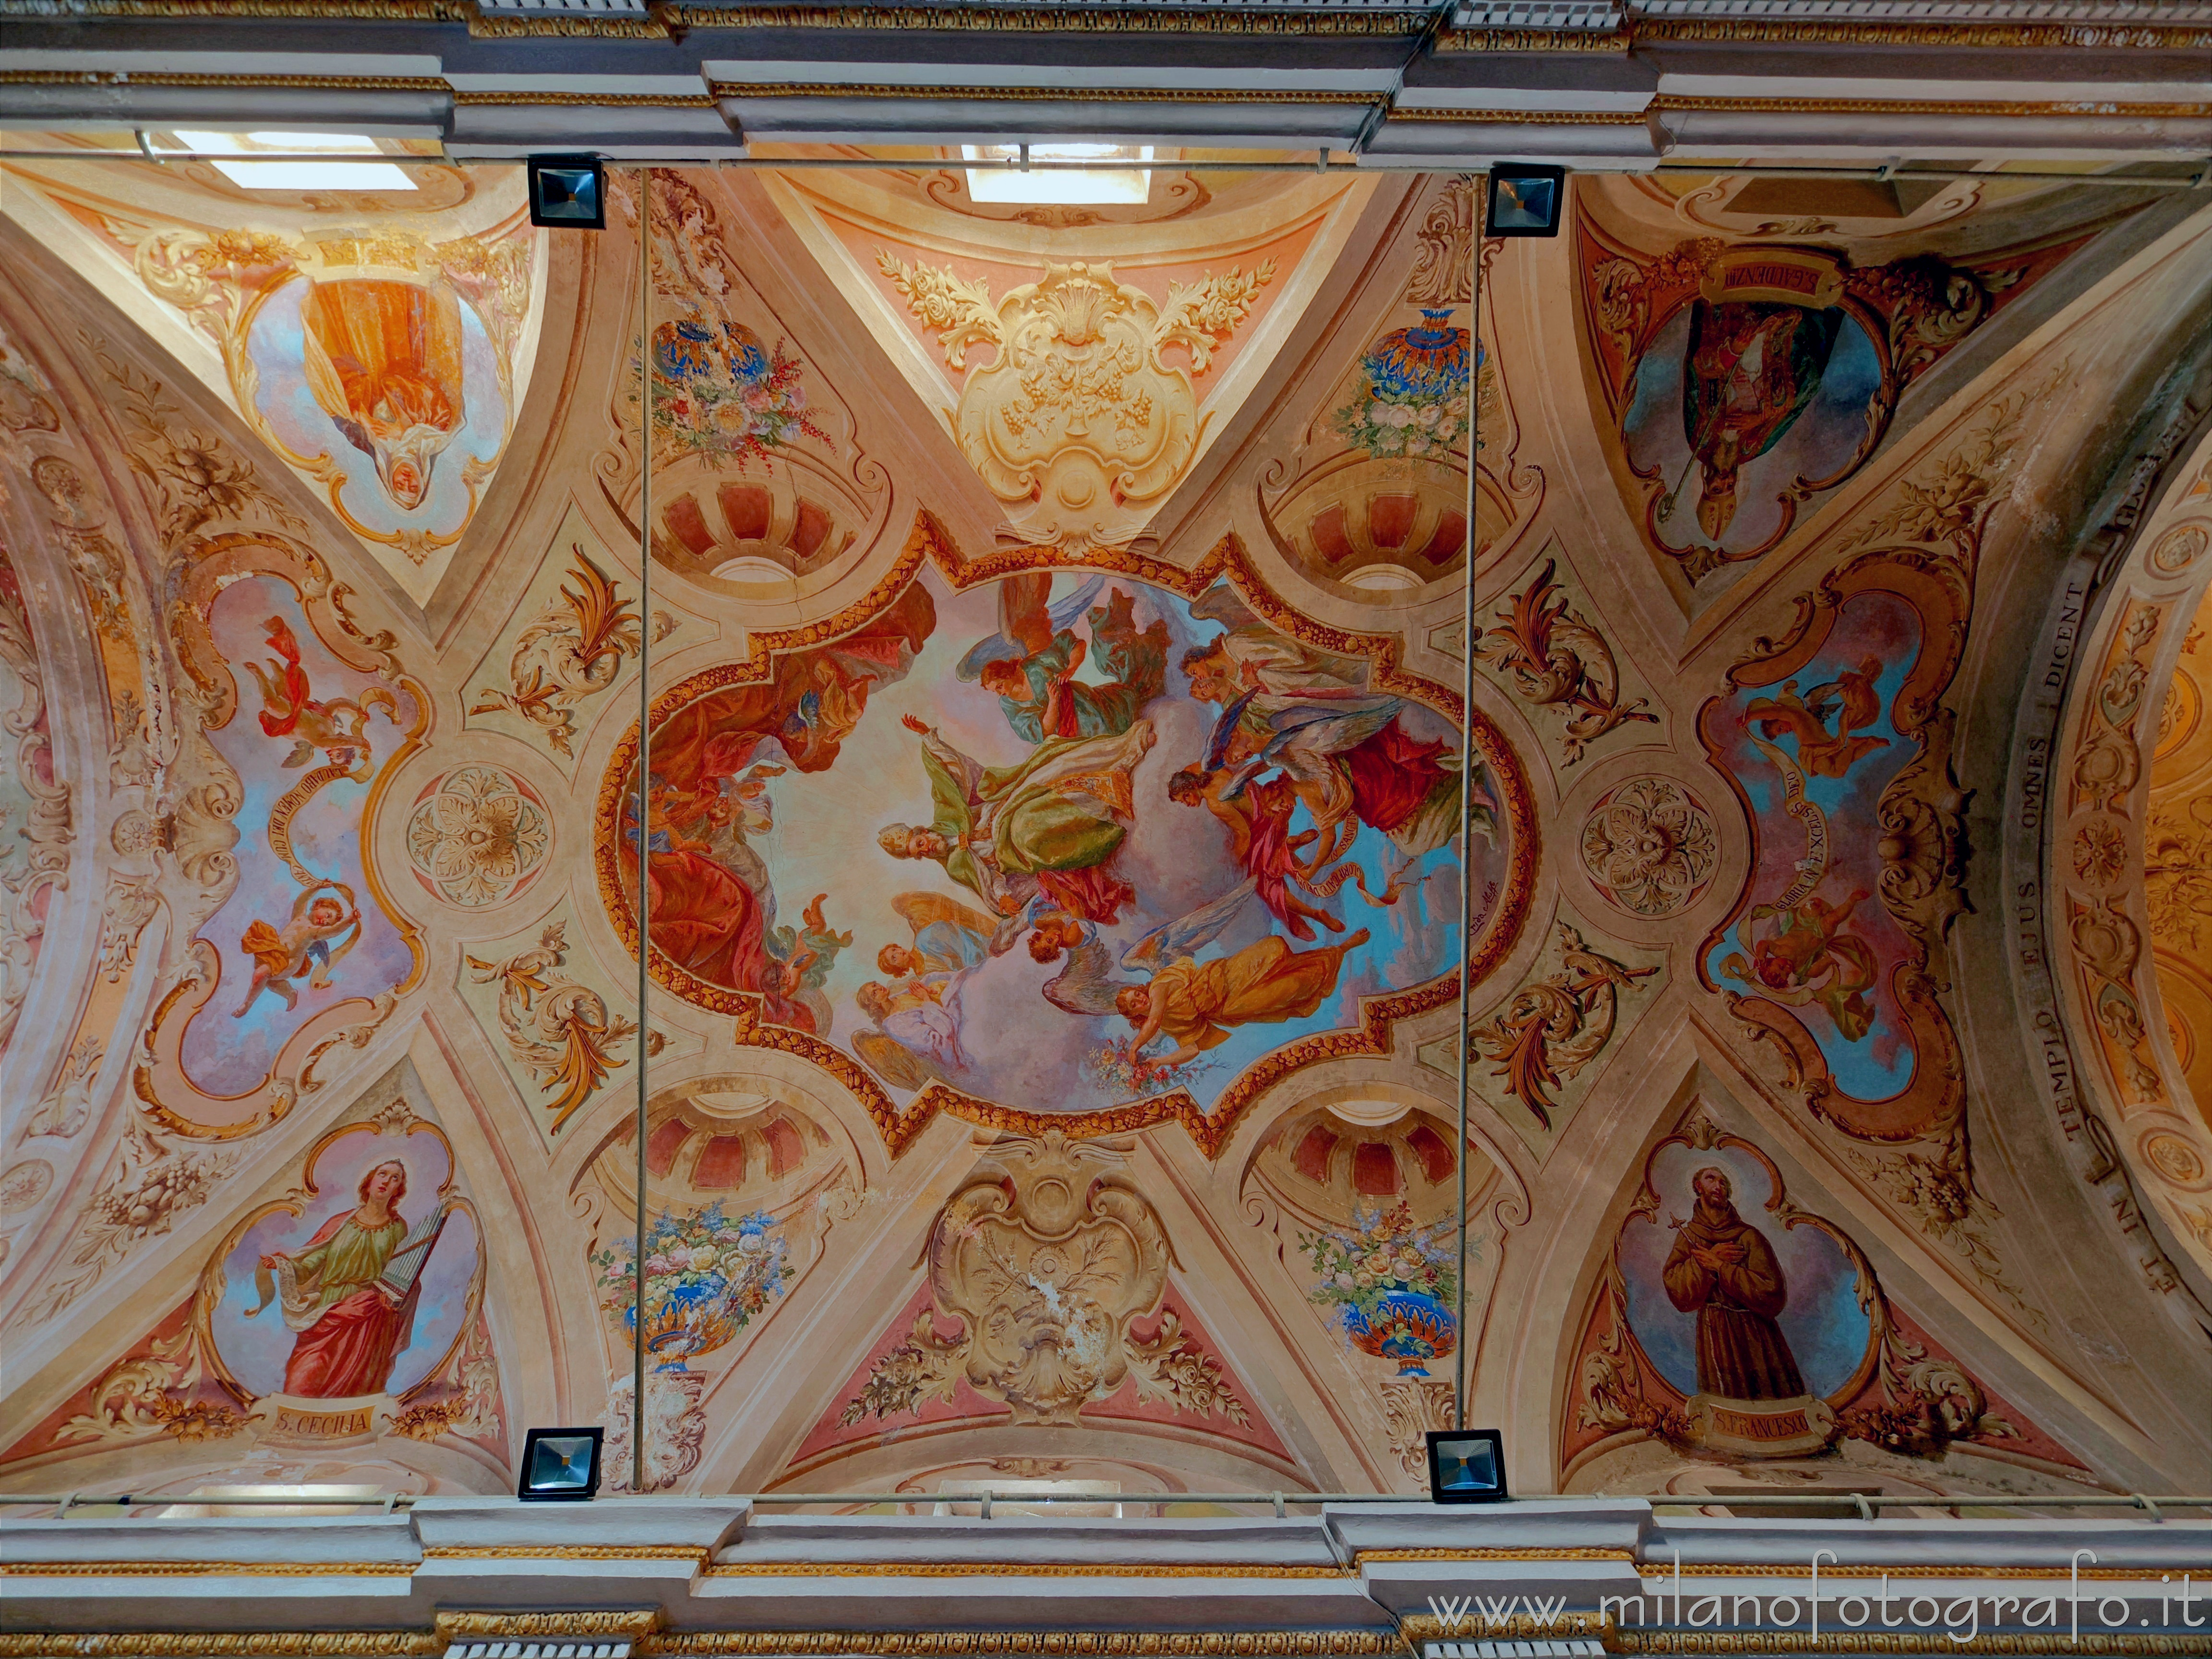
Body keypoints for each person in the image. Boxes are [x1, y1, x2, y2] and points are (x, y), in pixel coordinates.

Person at [877, 713, 1154, 925]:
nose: (926, 848)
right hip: (1012, 852)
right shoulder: (956, 866)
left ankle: (1112, 775)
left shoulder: (947, 815)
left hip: (1005, 809)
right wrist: (1005, 899)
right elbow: (990, 879)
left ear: (922, 831)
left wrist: (929, 739)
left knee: (1051, 770)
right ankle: (1102, 821)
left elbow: (949, 776)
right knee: (1028, 832)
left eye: (920, 842)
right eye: (920, 853)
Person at [249, 1159, 449, 1399]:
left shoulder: (398, 1229)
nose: (386, 1181)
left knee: (354, 1390)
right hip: (330, 1309)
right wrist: (285, 1265)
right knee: (303, 1379)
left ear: (399, 1190)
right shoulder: (341, 1223)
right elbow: (314, 1262)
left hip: (371, 1315)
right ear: (370, 1181)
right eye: (382, 1174)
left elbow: (405, 1274)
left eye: (395, 1178)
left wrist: (394, 1299)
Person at [1117, 928, 1369, 1069]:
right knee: (1294, 987)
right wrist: (1158, 1061)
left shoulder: (1158, 987)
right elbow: (1192, 1048)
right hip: (1231, 1007)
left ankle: (1338, 949)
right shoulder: (1170, 1025)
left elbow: (1155, 1017)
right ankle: (1341, 950)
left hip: (1227, 976)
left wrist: (1135, 1046)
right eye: (1134, 1004)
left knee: (1274, 948)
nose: (1140, 1000)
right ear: (1133, 1015)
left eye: (1136, 994)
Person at [1661, 1166, 1806, 1401]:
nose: (1719, 1186)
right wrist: (1703, 1265)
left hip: (1755, 1334)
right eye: (1711, 1179)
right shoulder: (1689, 1236)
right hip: (1714, 1332)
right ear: (1699, 1187)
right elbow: (1677, 1290)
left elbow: (1773, 1292)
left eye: (1723, 1182)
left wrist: (1721, 1267)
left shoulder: (1749, 1237)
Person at [234, 885, 361, 1017]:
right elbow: (301, 900)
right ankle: (290, 993)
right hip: (276, 954)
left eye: (328, 922)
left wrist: (350, 920)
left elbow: (334, 931)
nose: (325, 922)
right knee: (272, 983)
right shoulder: (299, 917)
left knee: (261, 975)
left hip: (290, 962)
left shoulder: (314, 932)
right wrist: (316, 887)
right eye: (328, 915)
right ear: (319, 906)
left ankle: (247, 1005)